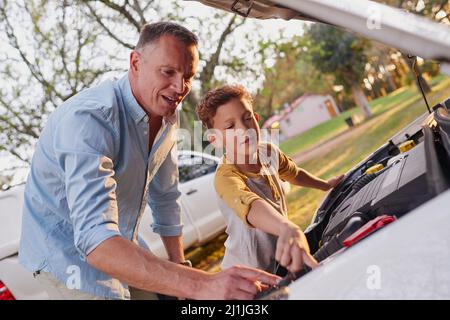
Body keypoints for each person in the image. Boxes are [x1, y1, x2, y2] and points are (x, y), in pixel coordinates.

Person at [18, 22, 280, 300]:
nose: (180, 87)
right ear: (135, 63)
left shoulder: (167, 113)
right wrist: (201, 284)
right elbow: (95, 240)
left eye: (188, 76)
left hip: (120, 238)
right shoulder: (89, 121)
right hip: (67, 255)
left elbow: (165, 196)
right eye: (168, 72)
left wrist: (180, 266)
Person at [196, 85, 345, 275]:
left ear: (256, 119)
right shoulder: (225, 177)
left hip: (279, 261)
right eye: (230, 126)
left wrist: (324, 185)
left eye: (247, 118)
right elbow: (251, 206)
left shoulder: (268, 152)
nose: (243, 129)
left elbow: (294, 173)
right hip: (249, 274)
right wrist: (286, 227)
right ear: (215, 139)